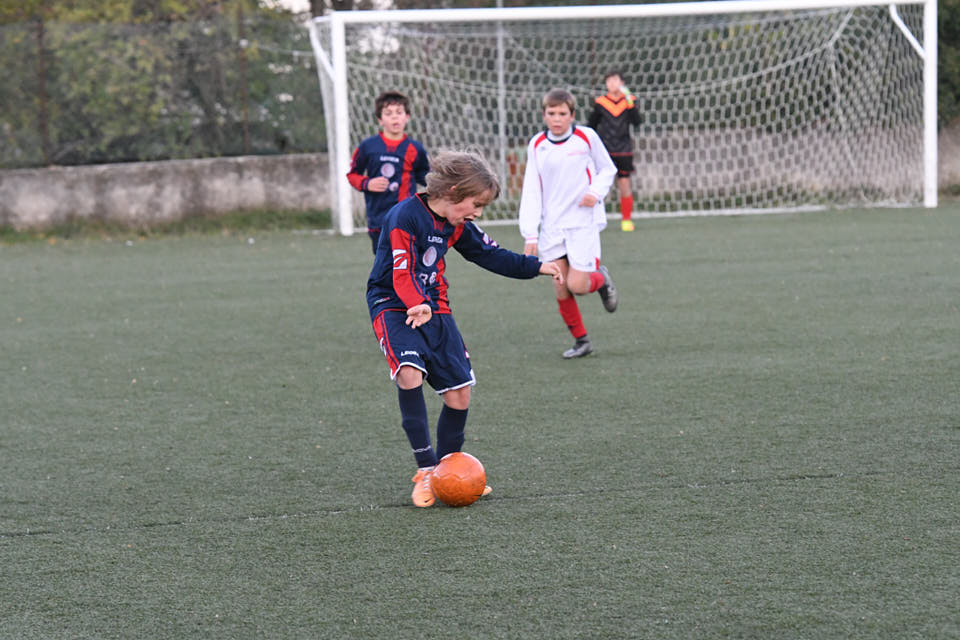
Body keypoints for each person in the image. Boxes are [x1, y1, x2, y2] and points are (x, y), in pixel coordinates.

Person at [366, 149, 564, 507]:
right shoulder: (403, 216)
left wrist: (535, 266)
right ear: (454, 191)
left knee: (459, 394)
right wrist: (415, 303)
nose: (478, 213)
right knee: (409, 373)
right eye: (476, 204)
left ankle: (449, 471)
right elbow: (401, 272)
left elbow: (490, 254)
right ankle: (427, 471)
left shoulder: (456, 224)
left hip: (435, 305)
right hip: (394, 303)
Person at [519, 88, 619, 359]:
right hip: (552, 227)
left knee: (578, 285)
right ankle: (581, 340)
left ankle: (602, 279)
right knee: (560, 284)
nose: (557, 118)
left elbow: (608, 168)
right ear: (544, 115)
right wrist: (530, 233)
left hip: (582, 223)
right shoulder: (537, 144)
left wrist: (595, 192)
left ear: (572, 115)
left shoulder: (586, 137)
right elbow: (532, 188)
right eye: (551, 113)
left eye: (562, 113)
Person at [347, 91, 430, 253]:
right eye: (388, 113)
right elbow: (352, 175)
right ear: (380, 119)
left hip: (407, 217)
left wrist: (444, 184)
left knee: (411, 261)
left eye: (399, 112)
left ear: (407, 117)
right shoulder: (368, 146)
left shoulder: (415, 148)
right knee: (385, 264)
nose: (394, 117)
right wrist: (367, 183)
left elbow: (425, 177)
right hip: (378, 220)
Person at [587, 70, 642, 232]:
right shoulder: (601, 103)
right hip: (604, 150)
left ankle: (626, 219)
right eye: (609, 81)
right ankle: (593, 219)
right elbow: (592, 125)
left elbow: (637, 122)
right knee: (598, 185)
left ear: (622, 83)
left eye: (615, 80)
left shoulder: (629, 101)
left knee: (624, 183)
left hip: (624, 149)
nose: (612, 83)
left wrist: (630, 103)